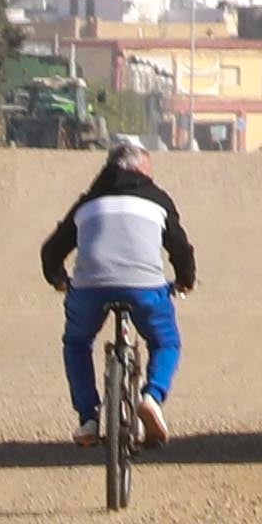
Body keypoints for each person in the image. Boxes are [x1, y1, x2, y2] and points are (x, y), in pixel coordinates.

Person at [40, 146, 197, 446]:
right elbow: (180, 247)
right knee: (166, 341)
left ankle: (88, 419)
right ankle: (152, 397)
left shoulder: (88, 202)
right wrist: (185, 281)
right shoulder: (158, 199)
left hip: (89, 287)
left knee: (77, 343)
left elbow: (52, 250)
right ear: (139, 170)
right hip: (145, 287)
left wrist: (58, 278)